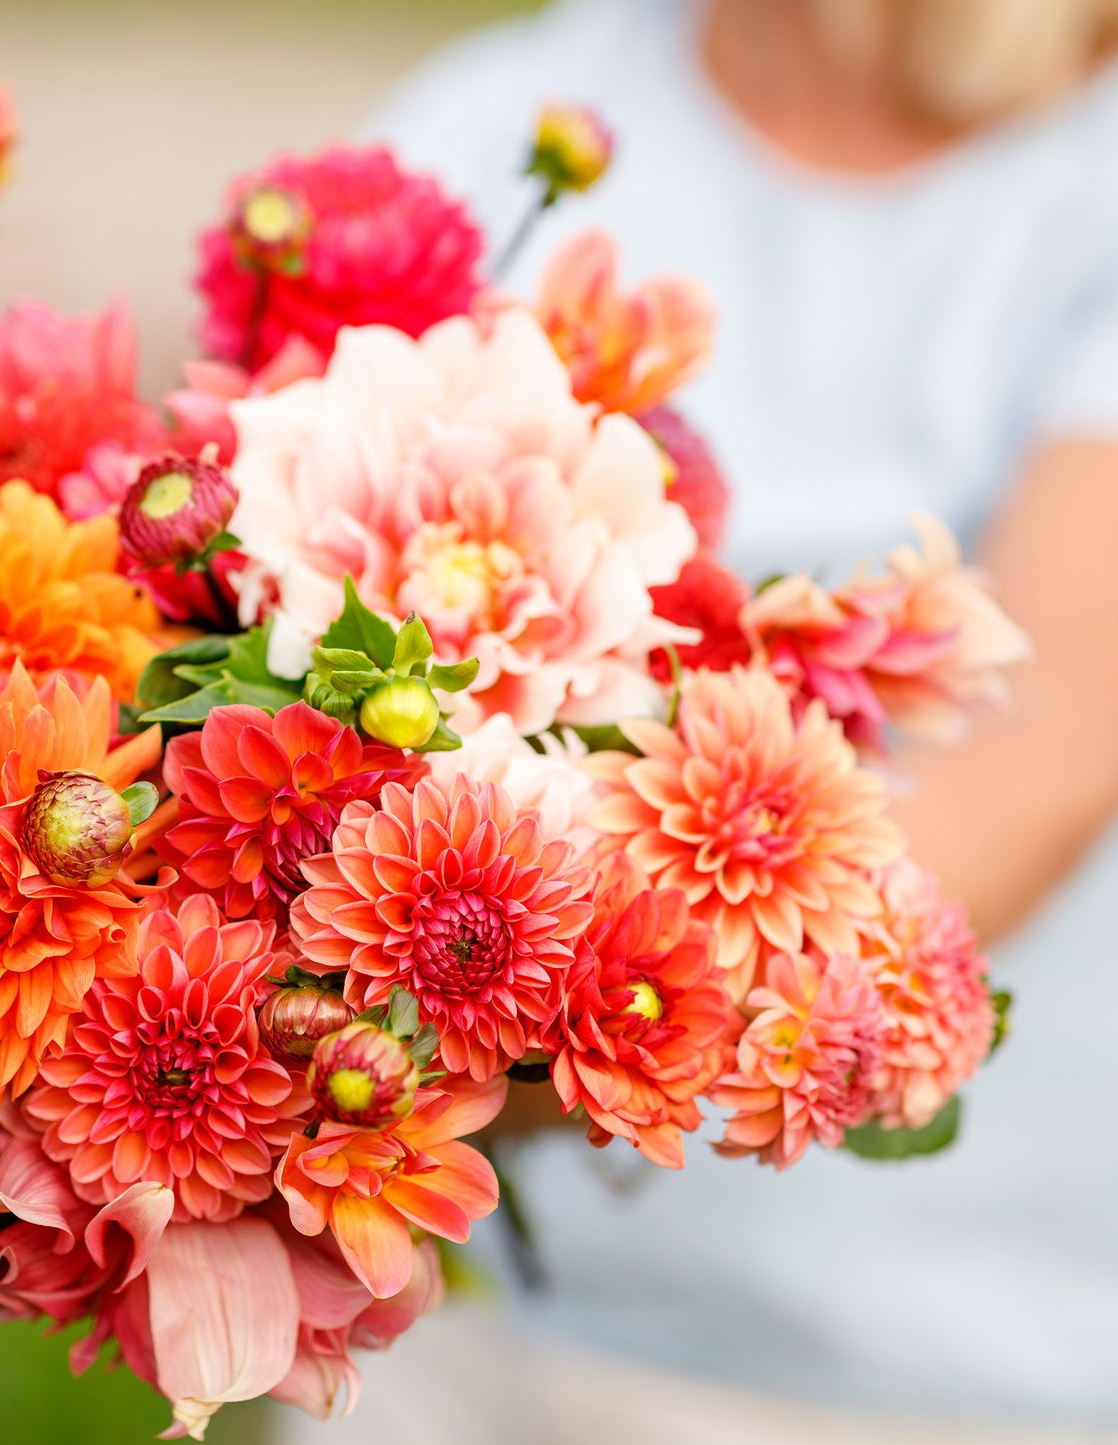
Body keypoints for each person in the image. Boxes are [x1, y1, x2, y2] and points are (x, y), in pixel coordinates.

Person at [274, 1, 1118, 1441]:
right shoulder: (499, 126)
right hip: (459, 1340)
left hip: (950, 1368)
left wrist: (550, 1031)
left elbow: (1039, 748)